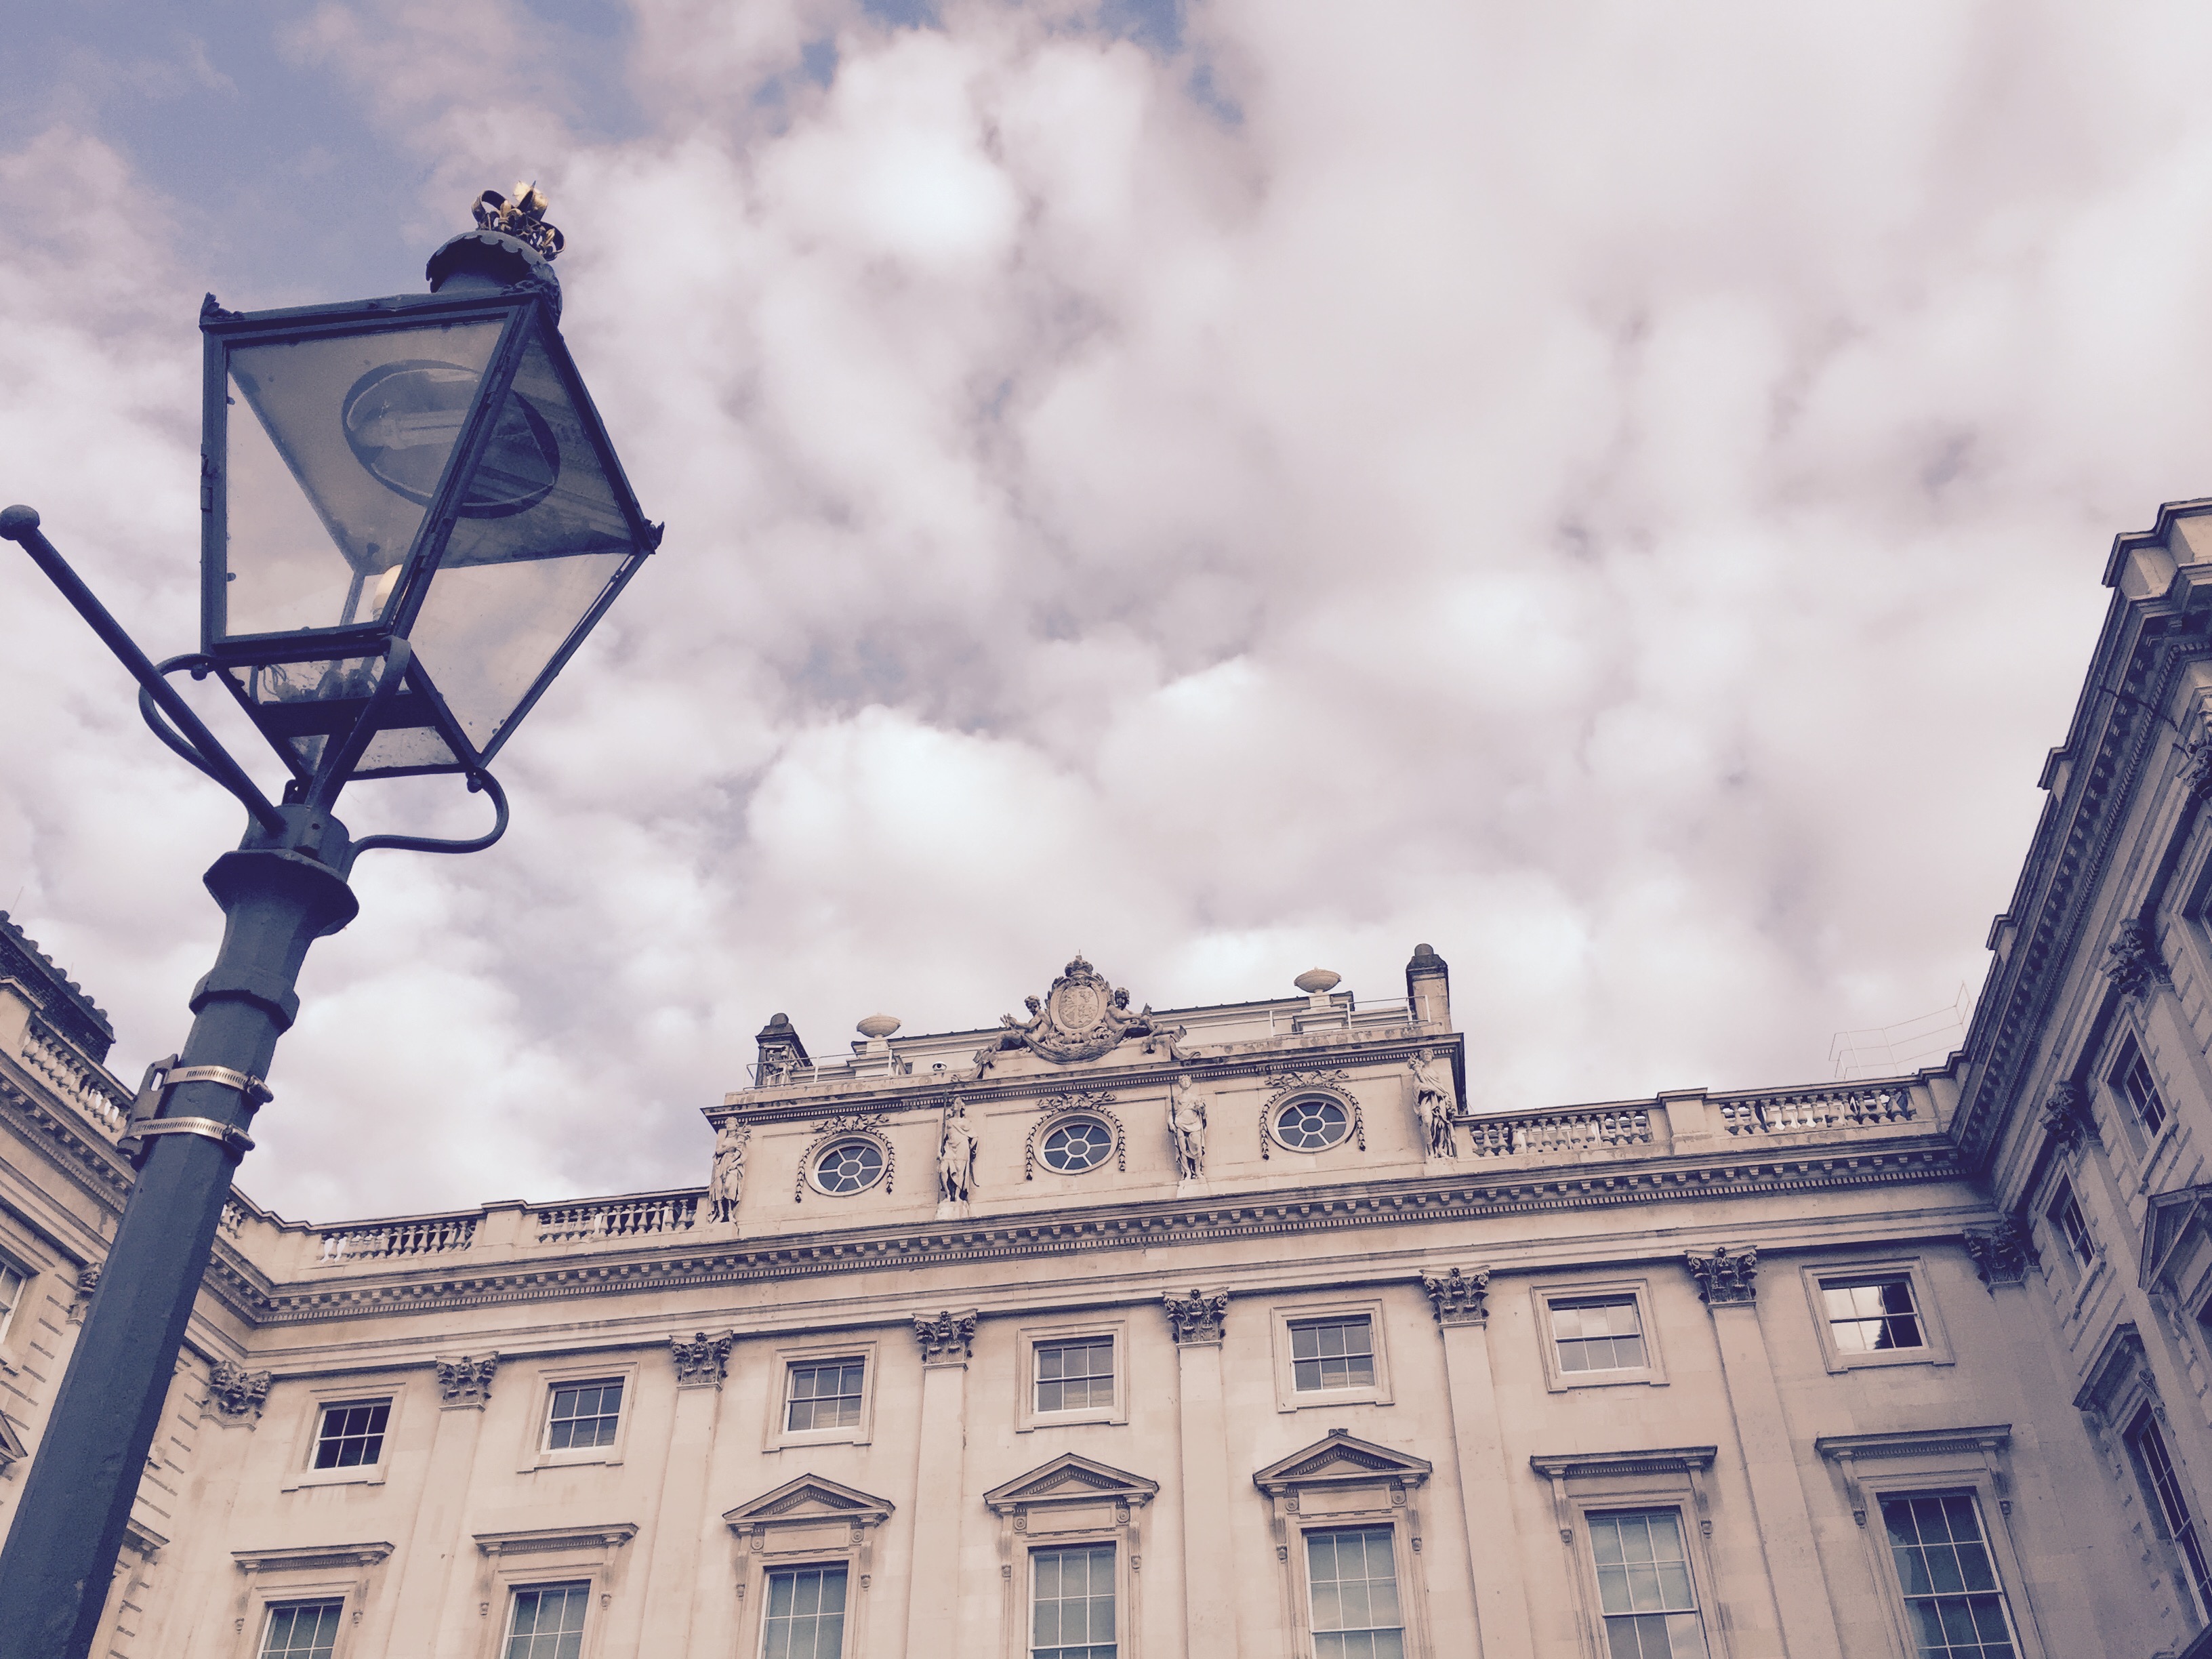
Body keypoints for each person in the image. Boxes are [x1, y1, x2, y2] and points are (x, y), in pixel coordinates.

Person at [1411, 1050, 1457, 1158]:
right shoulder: (1419, 1074)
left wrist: (1446, 1099)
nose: (1427, 1056)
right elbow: (1416, 1087)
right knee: (1427, 1121)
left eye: (1429, 1054)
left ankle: (1440, 1149)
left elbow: (1442, 1087)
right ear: (1422, 1058)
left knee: (1441, 1124)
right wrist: (1431, 1088)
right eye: (1425, 1054)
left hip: (1439, 1099)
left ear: (1432, 1057)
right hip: (1427, 1099)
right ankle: (1431, 1150)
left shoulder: (1436, 1073)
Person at [938, 1099, 978, 1204]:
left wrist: (969, 1147)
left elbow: (975, 1137)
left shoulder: (966, 1122)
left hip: (962, 1146)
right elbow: (942, 1138)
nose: (955, 1105)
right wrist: (939, 1152)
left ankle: (956, 1196)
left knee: (960, 1171)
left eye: (957, 1103)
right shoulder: (948, 1122)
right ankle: (948, 1194)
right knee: (943, 1169)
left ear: (962, 1107)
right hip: (949, 1147)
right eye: (954, 1103)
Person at [1168, 1075, 1208, 1181]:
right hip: (1180, 1124)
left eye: (1187, 1081)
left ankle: (1198, 1171)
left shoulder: (1195, 1098)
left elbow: (1203, 1113)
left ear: (1191, 1084)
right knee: (1183, 1149)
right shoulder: (1177, 1099)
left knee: (1197, 1146)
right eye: (1183, 1081)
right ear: (1180, 1084)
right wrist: (1171, 1123)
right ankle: (1188, 1172)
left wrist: (1202, 1109)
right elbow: (1171, 1113)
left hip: (1194, 1124)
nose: (1185, 1082)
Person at [708, 1120, 747, 1222]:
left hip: (732, 1164)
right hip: (721, 1165)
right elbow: (718, 1151)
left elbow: (743, 1155)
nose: (729, 1126)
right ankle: (721, 1214)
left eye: (731, 1124)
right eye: (727, 1124)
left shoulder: (739, 1138)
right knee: (719, 1188)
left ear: (736, 1126)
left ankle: (730, 1213)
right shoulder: (725, 1138)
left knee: (729, 1186)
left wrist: (735, 1163)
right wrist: (728, 1148)